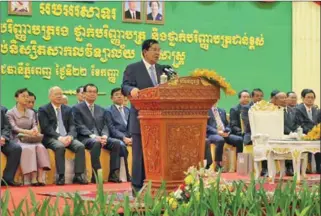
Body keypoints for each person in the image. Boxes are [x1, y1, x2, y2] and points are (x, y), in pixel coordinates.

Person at [122, 39, 163, 192]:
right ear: (145, 51)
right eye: (154, 49)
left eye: (159, 50)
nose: (158, 53)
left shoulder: (163, 70)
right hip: (140, 118)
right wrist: (131, 89)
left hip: (161, 119)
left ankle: (157, 184)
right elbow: (124, 85)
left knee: (159, 153)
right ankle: (137, 187)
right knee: (139, 153)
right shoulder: (133, 68)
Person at [73, 83, 125, 183]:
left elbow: (106, 125)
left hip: (101, 137)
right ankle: (96, 174)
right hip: (85, 138)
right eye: (89, 92)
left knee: (116, 143)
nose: (92, 94)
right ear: (83, 94)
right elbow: (79, 125)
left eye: (94, 92)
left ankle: (113, 174)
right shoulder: (77, 108)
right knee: (95, 143)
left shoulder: (101, 109)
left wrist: (105, 136)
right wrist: (93, 136)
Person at [38, 86, 88, 185]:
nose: (59, 96)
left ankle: (78, 175)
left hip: (67, 137)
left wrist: (70, 136)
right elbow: (46, 128)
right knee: (60, 147)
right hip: (52, 137)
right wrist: (59, 137)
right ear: (50, 96)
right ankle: (61, 176)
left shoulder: (68, 109)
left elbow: (72, 126)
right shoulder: (43, 109)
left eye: (60, 94)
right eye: (56, 94)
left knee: (80, 146)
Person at [7, 88, 50, 186]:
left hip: (31, 138)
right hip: (18, 138)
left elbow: (34, 124)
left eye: (27, 96)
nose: (26, 99)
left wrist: (34, 130)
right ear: (16, 98)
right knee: (29, 149)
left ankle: (40, 176)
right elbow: (14, 128)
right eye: (23, 96)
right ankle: (32, 177)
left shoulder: (31, 112)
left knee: (40, 147)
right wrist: (27, 132)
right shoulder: (10, 113)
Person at [207, 101, 243, 171]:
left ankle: (239, 163)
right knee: (220, 140)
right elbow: (206, 125)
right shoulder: (206, 111)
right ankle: (218, 164)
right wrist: (217, 132)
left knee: (239, 139)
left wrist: (227, 130)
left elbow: (227, 124)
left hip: (224, 133)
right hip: (212, 134)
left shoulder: (222, 110)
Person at [105, 88, 131, 181]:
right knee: (121, 145)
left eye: (121, 94)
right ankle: (120, 173)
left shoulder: (128, 110)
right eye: (116, 94)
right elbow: (112, 128)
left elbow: (131, 127)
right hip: (116, 137)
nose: (119, 96)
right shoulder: (108, 111)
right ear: (112, 98)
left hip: (129, 137)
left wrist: (131, 138)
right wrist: (123, 138)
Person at [295, 89, 320, 174]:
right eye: (308, 97)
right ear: (302, 98)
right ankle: (303, 168)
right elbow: (300, 124)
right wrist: (311, 132)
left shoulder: (316, 110)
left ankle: (318, 167)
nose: (310, 99)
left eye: (312, 98)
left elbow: (318, 124)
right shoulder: (298, 109)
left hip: (314, 135)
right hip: (303, 133)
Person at [1, 107, 22, 186]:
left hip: (2, 140)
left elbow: (7, 127)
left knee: (15, 148)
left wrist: (3, 137)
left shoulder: (2, 109)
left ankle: (7, 179)